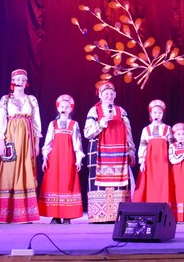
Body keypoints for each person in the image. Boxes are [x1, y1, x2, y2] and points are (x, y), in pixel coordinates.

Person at [0, 69, 41, 223]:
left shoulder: (31, 100)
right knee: (9, 170)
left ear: (26, 82)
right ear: (13, 81)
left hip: (27, 139)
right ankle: (5, 213)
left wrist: (37, 143)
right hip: (11, 137)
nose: (20, 81)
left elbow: (36, 122)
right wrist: (1, 142)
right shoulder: (5, 99)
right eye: (18, 79)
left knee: (26, 170)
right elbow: (0, 120)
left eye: (23, 79)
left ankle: (25, 213)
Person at [84, 82, 135, 223]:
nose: (109, 96)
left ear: (115, 95)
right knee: (99, 182)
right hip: (99, 151)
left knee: (120, 183)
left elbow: (128, 132)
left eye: (111, 93)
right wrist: (101, 123)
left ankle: (118, 214)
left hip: (119, 153)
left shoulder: (121, 111)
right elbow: (87, 133)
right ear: (100, 96)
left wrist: (131, 150)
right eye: (106, 93)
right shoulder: (94, 111)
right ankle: (99, 216)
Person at [39, 94, 84, 224]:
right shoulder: (53, 124)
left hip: (68, 158)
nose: (64, 108)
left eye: (67, 107)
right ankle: (56, 215)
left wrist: (78, 159)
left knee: (67, 183)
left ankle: (67, 215)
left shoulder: (74, 124)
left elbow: (77, 143)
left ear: (71, 109)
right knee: (54, 183)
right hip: (55, 158)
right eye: (62, 106)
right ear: (58, 108)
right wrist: (45, 158)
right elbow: (48, 142)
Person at [133, 99, 174, 204]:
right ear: (150, 114)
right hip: (150, 160)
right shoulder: (146, 129)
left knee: (163, 181)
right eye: (155, 112)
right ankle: (150, 204)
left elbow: (172, 145)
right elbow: (143, 146)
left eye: (160, 112)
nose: (157, 114)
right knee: (150, 181)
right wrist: (142, 161)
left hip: (164, 159)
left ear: (163, 114)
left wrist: (172, 158)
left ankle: (164, 205)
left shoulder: (167, 128)